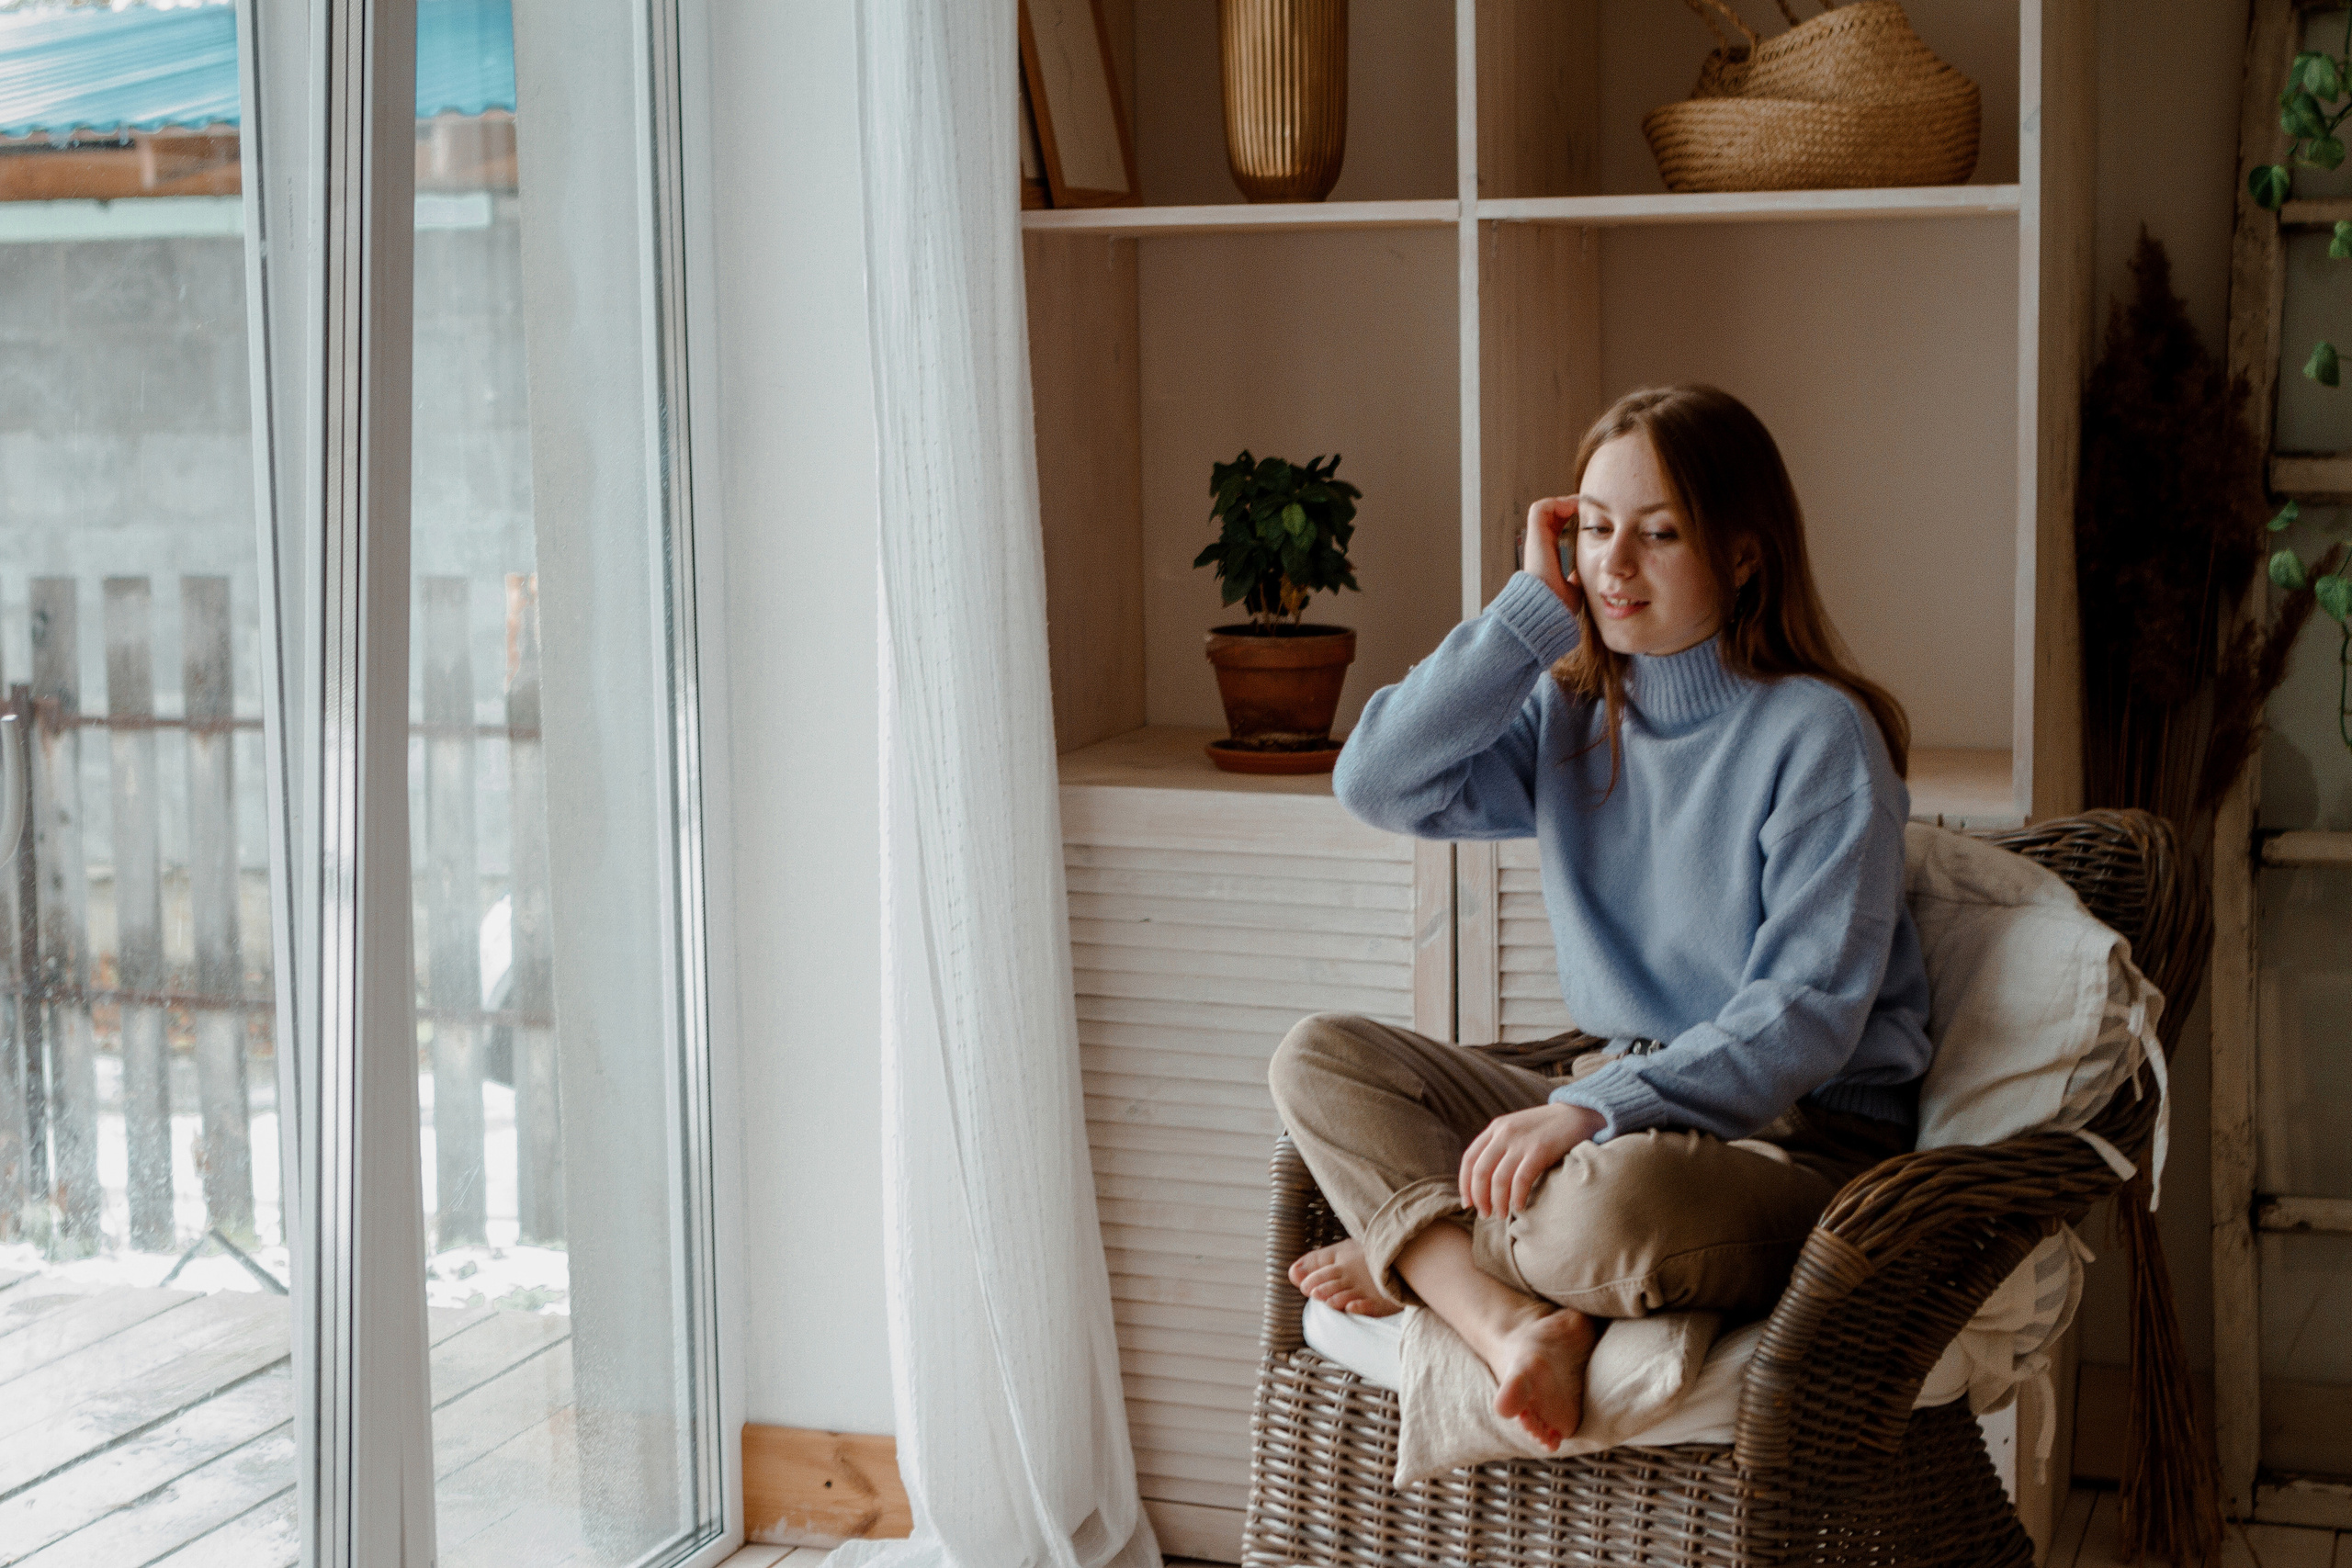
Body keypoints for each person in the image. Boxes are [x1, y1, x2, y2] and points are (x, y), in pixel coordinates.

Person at [1270, 384, 1933, 1452]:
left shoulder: (1820, 735)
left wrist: (1595, 1111)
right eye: (1592, 527)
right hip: (1612, 1097)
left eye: (1660, 534)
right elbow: (1377, 784)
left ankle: (1429, 1256)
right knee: (1320, 1058)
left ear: (1745, 554)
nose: (1613, 566)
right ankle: (1502, 1317)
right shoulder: (1569, 714)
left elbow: (1807, 1014)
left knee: (1600, 1213)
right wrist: (1529, 619)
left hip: (1794, 1142)